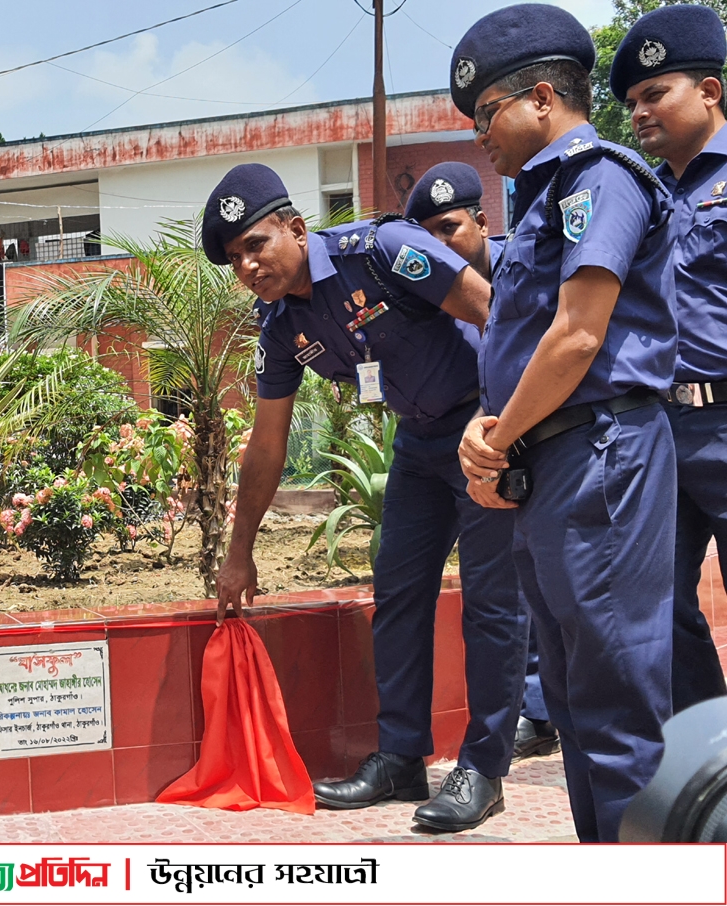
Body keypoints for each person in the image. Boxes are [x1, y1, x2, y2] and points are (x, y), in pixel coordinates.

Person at [210, 162, 530, 832]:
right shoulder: (278, 331)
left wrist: (505, 423)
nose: (246, 266)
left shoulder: (380, 253)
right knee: (399, 594)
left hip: (482, 426)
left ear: (296, 228)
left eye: (256, 245)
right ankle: (401, 758)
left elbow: (495, 314)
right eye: (234, 259)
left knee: (492, 605)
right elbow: (266, 447)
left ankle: (484, 767)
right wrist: (239, 553)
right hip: (416, 445)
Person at [452, 4, 678, 842]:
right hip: (556, 462)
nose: (480, 134)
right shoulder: (543, 199)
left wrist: (497, 433)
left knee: (616, 702)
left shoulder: (598, 178)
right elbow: (519, 345)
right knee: (577, 705)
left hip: (603, 454)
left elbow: (578, 335)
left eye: (486, 114)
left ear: (541, 98)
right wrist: (492, 431)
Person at [405, 161, 559, 762]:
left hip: (538, 434)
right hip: (474, 446)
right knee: (510, 579)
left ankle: (543, 711)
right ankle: (536, 712)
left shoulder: (521, 266)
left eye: (451, 228)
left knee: (535, 579)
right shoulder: (424, 285)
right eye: (429, 237)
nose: (442, 245)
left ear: (483, 221)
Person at [612, 4, 727, 716]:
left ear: (710, 91)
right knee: (646, 599)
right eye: (631, 101)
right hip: (659, 427)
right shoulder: (640, 195)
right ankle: (712, 757)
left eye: (656, 93)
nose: (639, 112)